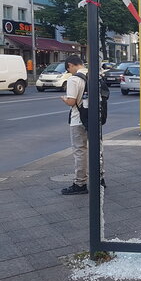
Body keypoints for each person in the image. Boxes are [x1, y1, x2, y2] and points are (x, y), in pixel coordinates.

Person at [60, 55, 104, 195]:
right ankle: (100, 178)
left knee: (80, 151)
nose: (70, 71)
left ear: (71, 65)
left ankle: (80, 183)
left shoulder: (74, 79)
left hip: (79, 120)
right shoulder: (95, 76)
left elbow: (72, 102)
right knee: (98, 148)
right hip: (95, 118)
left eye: (69, 69)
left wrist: (64, 99)